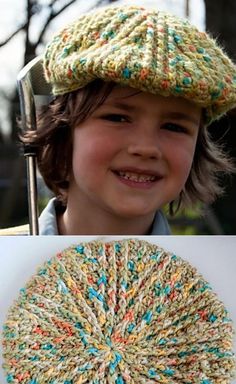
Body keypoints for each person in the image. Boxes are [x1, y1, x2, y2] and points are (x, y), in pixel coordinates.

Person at [1, 2, 236, 235]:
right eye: (118, 118)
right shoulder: (8, 261)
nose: (145, 148)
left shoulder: (215, 271)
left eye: (174, 127)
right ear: (63, 131)